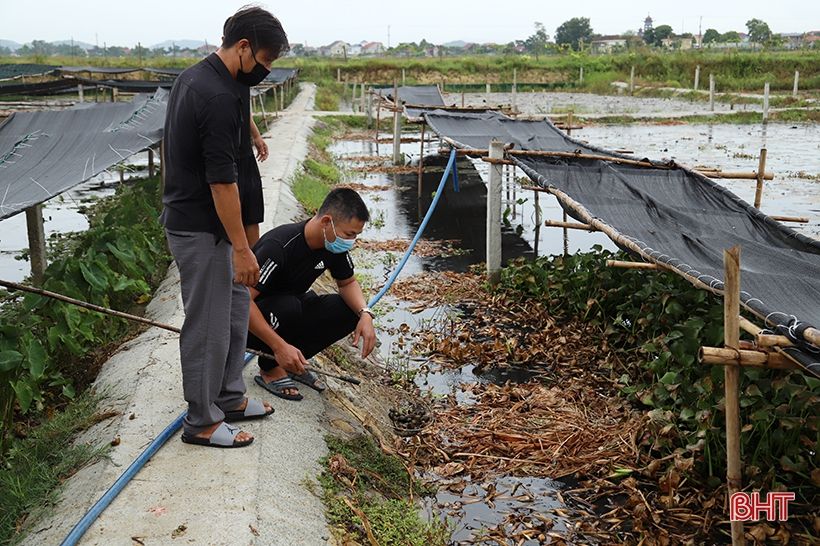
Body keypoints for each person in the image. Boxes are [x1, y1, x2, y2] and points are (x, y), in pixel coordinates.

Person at [160, 6, 288, 448]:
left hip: (218, 227)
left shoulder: (220, 79)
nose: (265, 72)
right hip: (202, 225)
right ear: (244, 47)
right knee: (208, 322)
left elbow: (238, 113)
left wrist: (252, 133)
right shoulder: (211, 94)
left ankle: (230, 396)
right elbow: (221, 183)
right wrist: (240, 246)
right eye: (265, 62)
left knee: (234, 312)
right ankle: (201, 421)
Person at [247, 188, 377, 400]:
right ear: (327, 222)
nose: (352, 241)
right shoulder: (279, 246)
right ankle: (270, 369)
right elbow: (240, 301)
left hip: (290, 311)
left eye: (356, 235)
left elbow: (347, 282)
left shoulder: (333, 246)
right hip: (250, 323)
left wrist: (365, 313)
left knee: (347, 311)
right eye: (349, 234)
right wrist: (279, 346)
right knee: (289, 306)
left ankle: (292, 363)